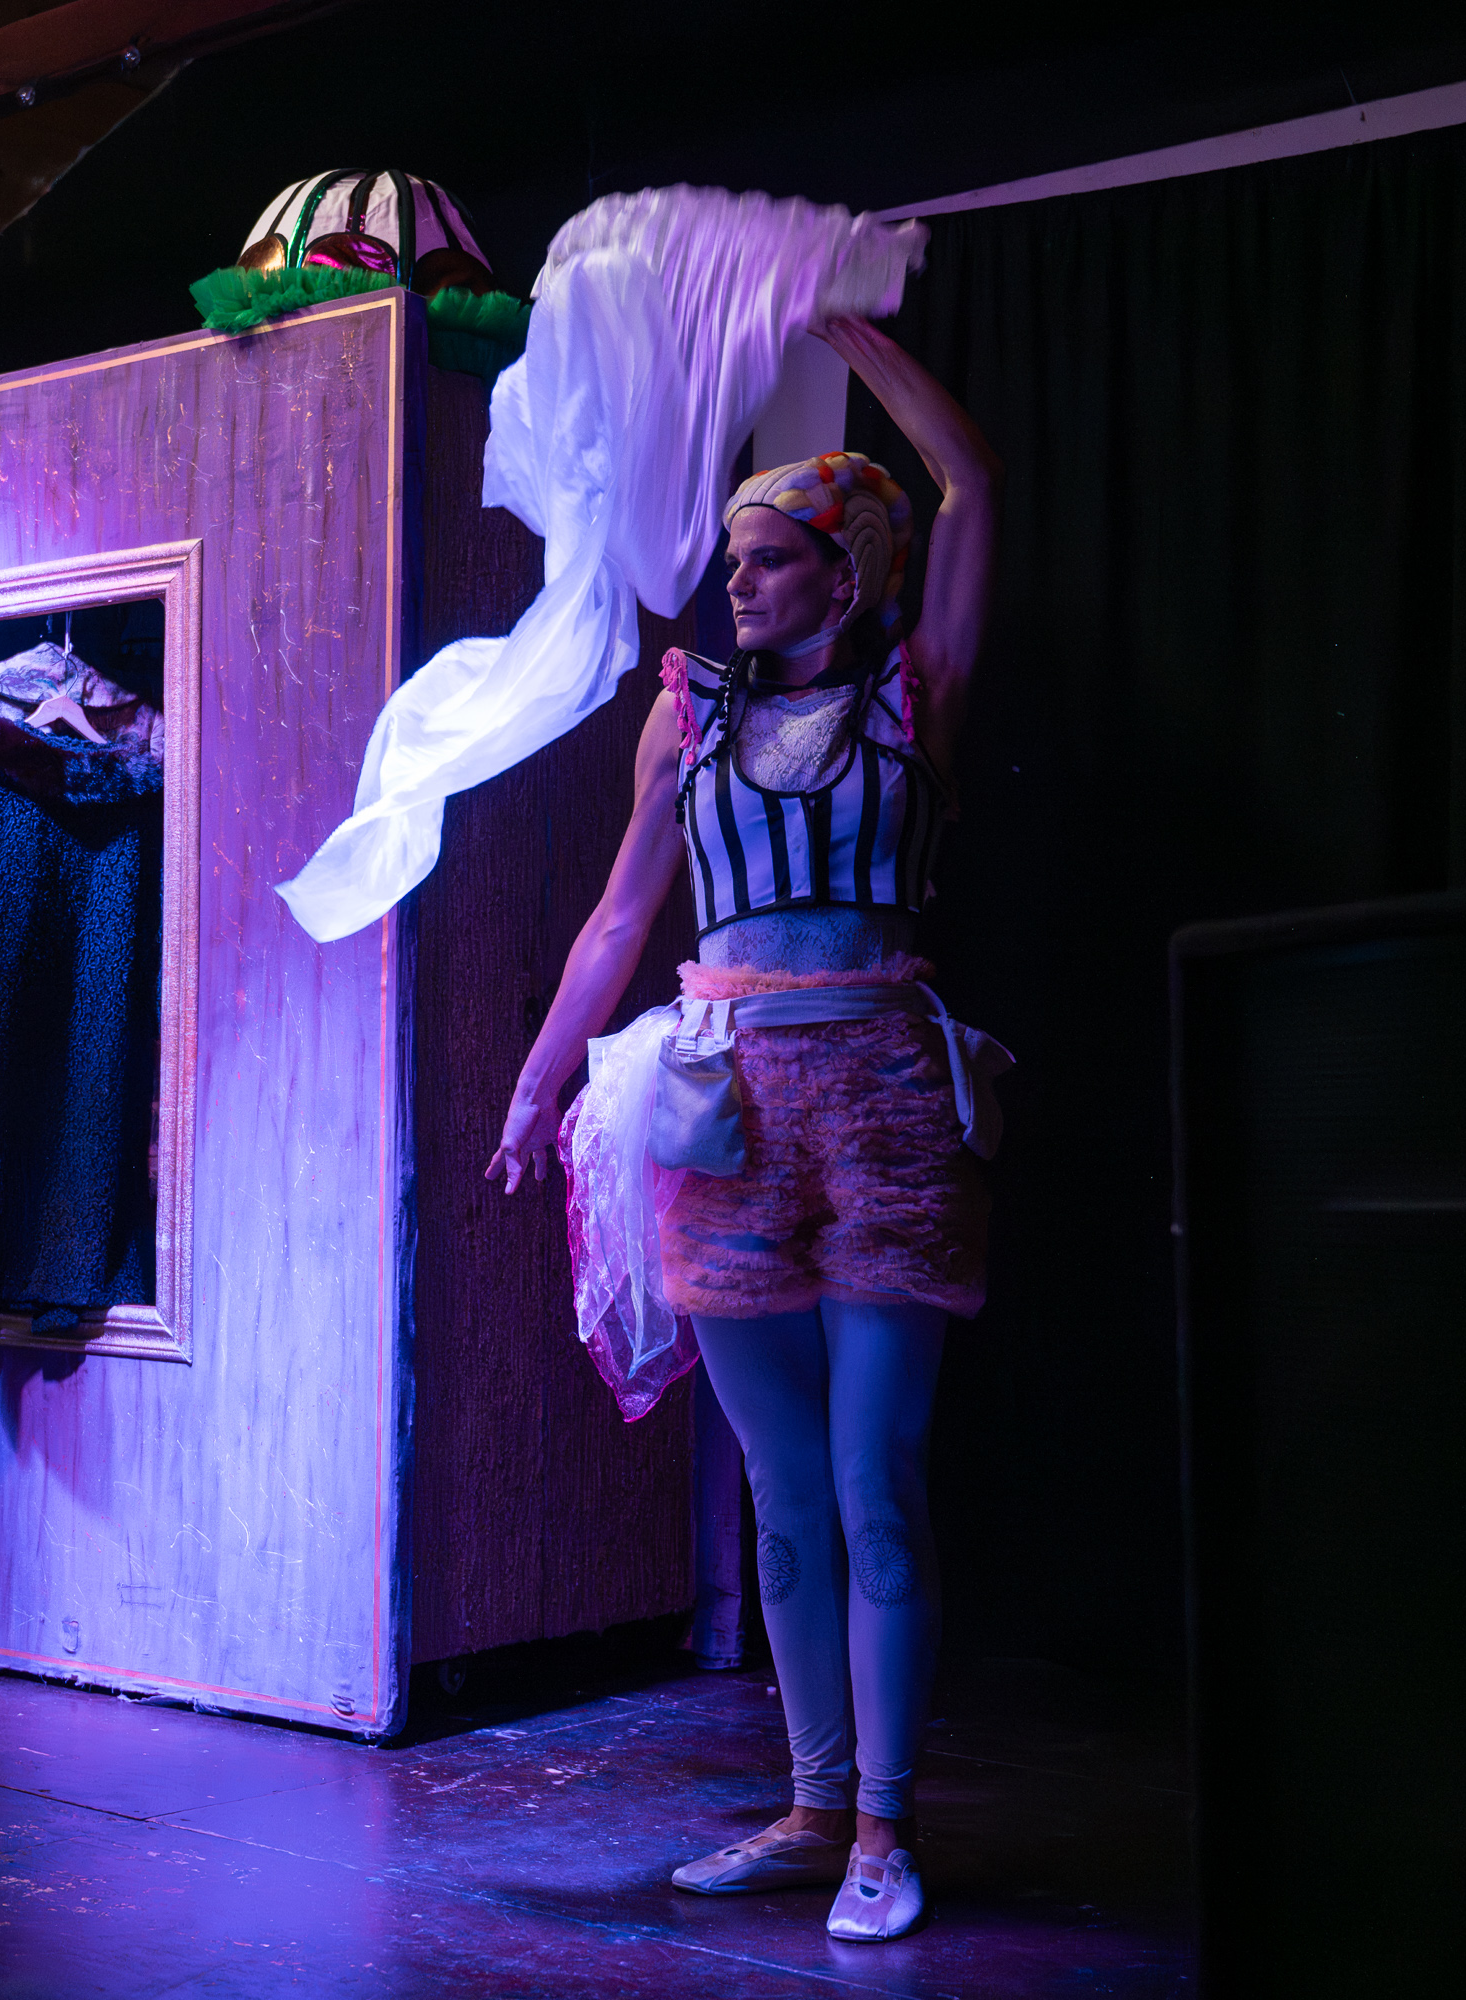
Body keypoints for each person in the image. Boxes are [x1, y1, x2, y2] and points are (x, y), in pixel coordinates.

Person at [487, 317, 1001, 1942]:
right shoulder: (689, 715)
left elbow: (972, 482)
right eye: (734, 561)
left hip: (883, 1101)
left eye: (771, 559)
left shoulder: (915, 691)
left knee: (875, 1476)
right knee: (780, 1486)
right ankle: (812, 1800)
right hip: (727, 1109)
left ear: (848, 572)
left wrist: (851, 332)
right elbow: (617, 915)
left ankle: (884, 1826)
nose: (741, 584)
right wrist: (536, 1084)